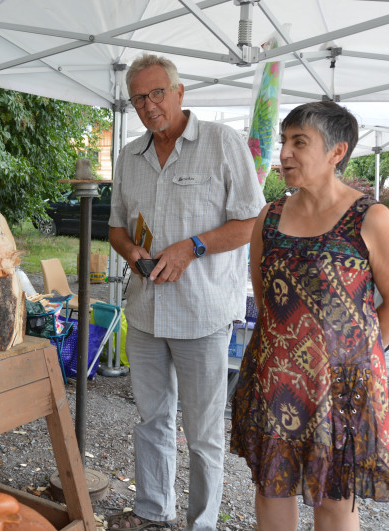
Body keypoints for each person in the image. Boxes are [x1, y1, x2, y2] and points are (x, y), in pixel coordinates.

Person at [229, 102, 389, 531]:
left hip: (342, 389)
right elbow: (267, 300)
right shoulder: (269, 218)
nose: (285, 154)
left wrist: (350, 360)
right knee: (271, 485)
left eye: (299, 142)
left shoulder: (371, 218)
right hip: (275, 380)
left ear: (336, 152)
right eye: (284, 142)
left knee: (334, 498)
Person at [108, 54, 266, 531]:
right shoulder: (129, 155)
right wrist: (133, 252)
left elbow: (251, 222)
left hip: (202, 314)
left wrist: (193, 247)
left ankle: (201, 524)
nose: (149, 105)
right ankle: (154, 512)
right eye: (139, 97)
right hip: (146, 313)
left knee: (202, 434)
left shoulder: (222, 143)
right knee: (151, 422)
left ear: (179, 92)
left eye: (157, 93)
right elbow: (116, 227)